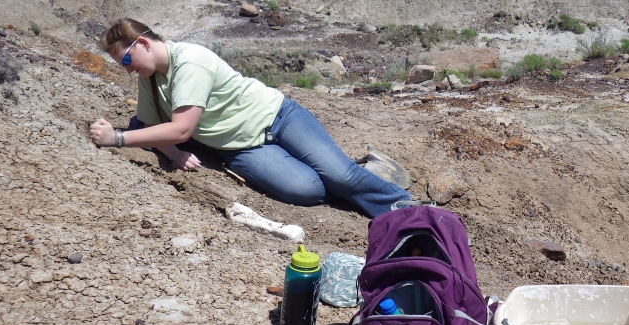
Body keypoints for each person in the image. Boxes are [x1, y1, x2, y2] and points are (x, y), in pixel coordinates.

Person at [89, 18, 410, 218]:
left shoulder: (189, 61)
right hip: (240, 147)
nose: (127, 68)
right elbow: (149, 124)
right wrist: (173, 152)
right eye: (122, 65)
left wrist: (117, 139)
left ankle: (409, 211)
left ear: (143, 42)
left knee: (343, 177)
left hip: (278, 116)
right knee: (307, 191)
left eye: (127, 59)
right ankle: (355, 179)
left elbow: (181, 127)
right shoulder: (149, 77)